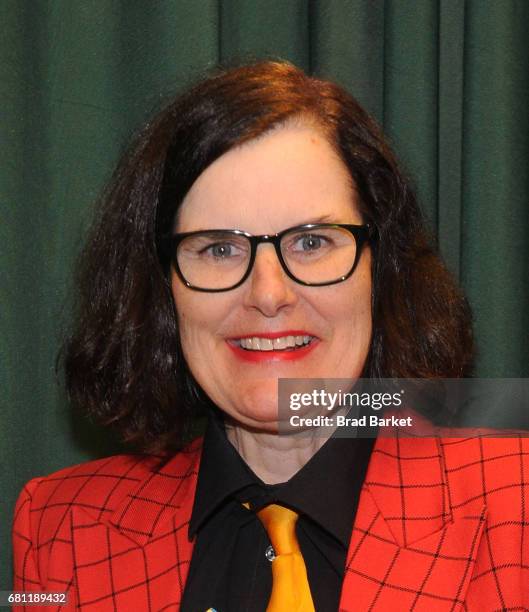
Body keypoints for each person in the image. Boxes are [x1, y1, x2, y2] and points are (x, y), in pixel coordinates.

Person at [12, 61, 528, 611]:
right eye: (218, 248)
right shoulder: (61, 531)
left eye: (311, 242)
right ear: (161, 289)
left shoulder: (515, 502)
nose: (268, 292)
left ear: (382, 271)